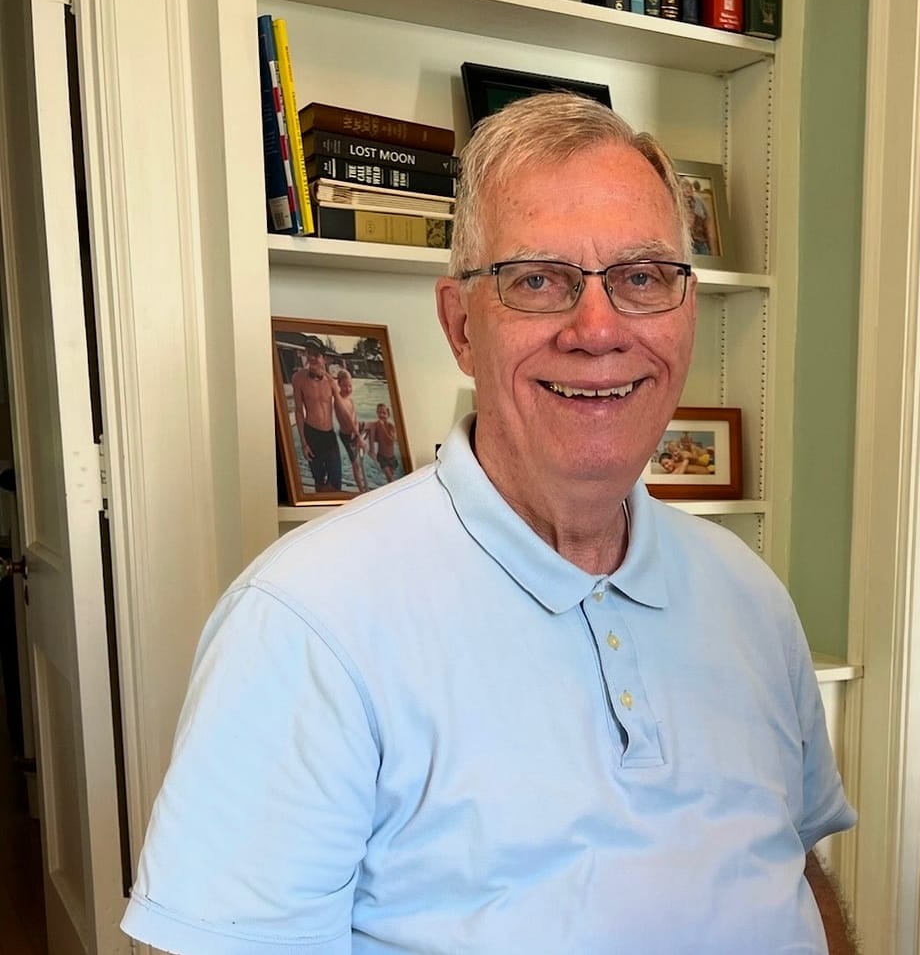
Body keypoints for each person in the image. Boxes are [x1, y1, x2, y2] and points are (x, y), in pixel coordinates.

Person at [121, 93, 857, 953]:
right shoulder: (305, 625)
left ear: (686, 311)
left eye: (642, 277)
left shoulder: (749, 593)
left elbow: (792, 861)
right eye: (537, 279)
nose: (597, 330)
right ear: (458, 325)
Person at [291, 337, 343, 494]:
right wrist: (304, 443)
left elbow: (340, 408)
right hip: (312, 435)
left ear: (324, 358)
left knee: (336, 483)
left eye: (316, 354)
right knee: (319, 481)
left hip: (329, 435)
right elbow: (299, 411)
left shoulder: (330, 381)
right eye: (309, 353)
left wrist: (355, 431)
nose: (312, 358)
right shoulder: (298, 379)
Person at [333, 368, 369, 493]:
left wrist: (359, 433)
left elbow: (355, 418)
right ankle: (361, 490)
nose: (348, 389)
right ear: (339, 384)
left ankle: (372, 451)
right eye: (344, 386)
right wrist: (359, 437)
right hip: (348, 436)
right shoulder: (339, 401)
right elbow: (348, 420)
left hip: (355, 431)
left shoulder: (350, 400)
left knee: (373, 425)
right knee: (356, 464)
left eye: (350, 386)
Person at [366, 401, 400, 483]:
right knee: (390, 479)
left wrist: (382, 427)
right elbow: (368, 429)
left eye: (384, 413)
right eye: (379, 412)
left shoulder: (391, 426)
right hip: (382, 457)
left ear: (388, 414)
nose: (381, 415)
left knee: (390, 479)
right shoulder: (375, 425)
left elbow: (391, 440)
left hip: (392, 457)